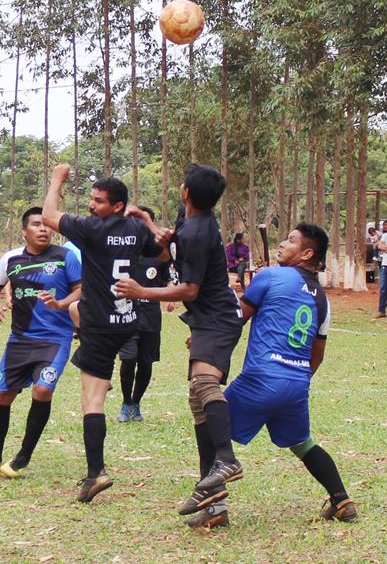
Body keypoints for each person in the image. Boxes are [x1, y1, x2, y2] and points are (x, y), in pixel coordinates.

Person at [186, 223, 357, 529]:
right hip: (297, 382)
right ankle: (341, 499)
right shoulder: (323, 300)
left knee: (208, 420)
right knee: (302, 444)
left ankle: (215, 511)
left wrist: (206, 335)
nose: (281, 243)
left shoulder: (269, 276)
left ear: (306, 253)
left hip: (261, 378)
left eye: (290, 240)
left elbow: (234, 319)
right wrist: (293, 381)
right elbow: (317, 355)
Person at [116, 164, 245, 526]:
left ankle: (226, 459)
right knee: (197, 399)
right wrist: (145, 219)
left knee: (205, 385)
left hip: (218, 317)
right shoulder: (192, 220)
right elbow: (171, 240)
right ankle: (214, 506)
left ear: (186, 191)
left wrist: (142, 291)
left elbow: (189, 289)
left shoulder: (198, 232)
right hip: (207, 319)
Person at [41, 164, 168, 503]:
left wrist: (57, 180)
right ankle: (102, 373)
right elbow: (164, 251)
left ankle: (95, 472)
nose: (92, 205)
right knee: (81, 323)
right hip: (127, 321)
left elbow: (49, 216)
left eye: (98, 201)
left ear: (116, 205)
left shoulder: (92, 229)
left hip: (97, 324)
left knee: (91, 400)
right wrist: (147, 220)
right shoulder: (136, 229)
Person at [0, 207, 82, 479]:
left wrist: (63, 303)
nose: (43, 229)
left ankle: (23, 456)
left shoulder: (65, 257)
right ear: (24, 231)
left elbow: (83, 288)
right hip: (19, 340)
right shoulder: (11, 258)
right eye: (36, 225)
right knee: (2, 396)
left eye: (46, 225)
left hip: (55, 340)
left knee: (42, 390)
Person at [117, 206, 172, 423]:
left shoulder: (160, 254)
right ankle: (125, 401)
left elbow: (170, 278)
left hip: (150, 315)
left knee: (146, 363)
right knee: (128, 358)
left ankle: (136, 403)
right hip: (126, 313)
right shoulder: (121, 250)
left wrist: (171, 296)